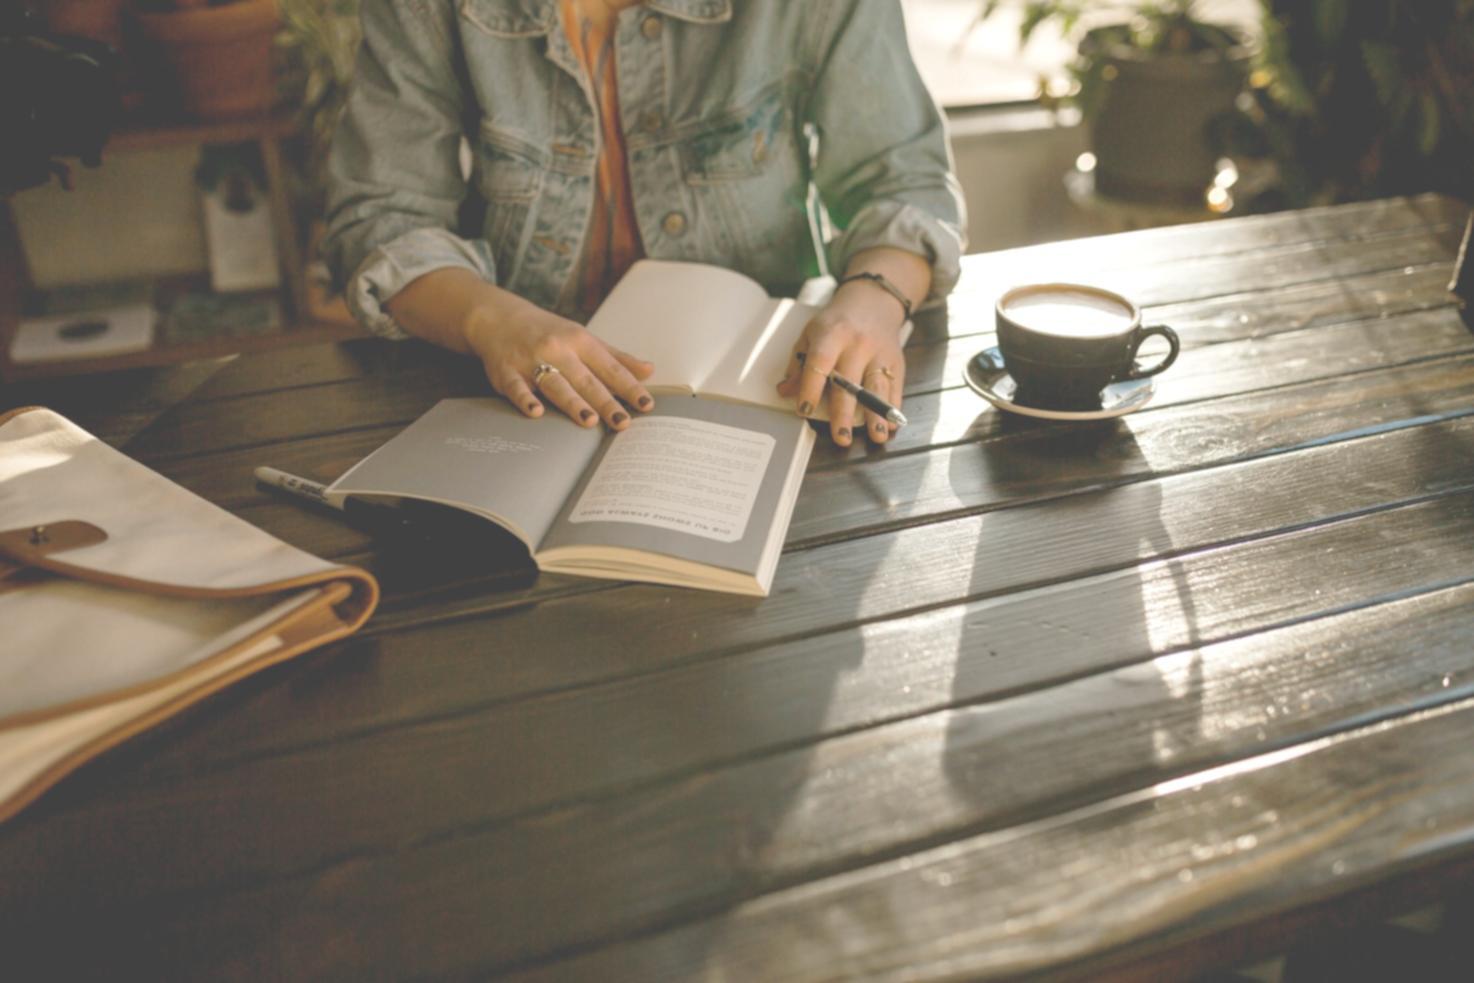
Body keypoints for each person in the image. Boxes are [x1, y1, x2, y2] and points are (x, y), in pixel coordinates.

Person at [323, 0, 965, 446]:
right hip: (515, 396)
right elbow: (383, 217)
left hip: (767, 388)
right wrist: (495, 322)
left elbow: (900, 175)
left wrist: (871, 303)